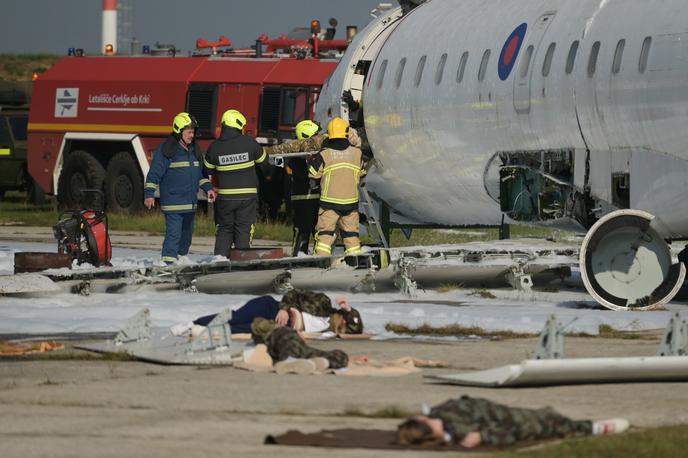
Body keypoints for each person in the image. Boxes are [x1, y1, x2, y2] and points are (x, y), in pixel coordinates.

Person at [396, 396, 630, 448]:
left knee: (550, 419)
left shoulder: (442, 416)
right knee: (554, 422)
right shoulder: (458, 428)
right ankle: (594, 428)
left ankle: (589, 427)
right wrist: (482, 437)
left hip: (509, 415)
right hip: (522, 423)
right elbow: (507, 433)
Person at [144, 112, 215, 265]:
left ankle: (181, 258)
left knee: (186, 235)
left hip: (190, 203)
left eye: (193, 132)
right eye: (189, 132)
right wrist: (149, 194)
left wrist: (208, 188)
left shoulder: (194, 150)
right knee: (174, 235)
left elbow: (200, 175)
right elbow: (154, 174)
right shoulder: (167, 150)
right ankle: (168, 264)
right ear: (178, 130)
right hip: (173, 202)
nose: (192, 135)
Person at [203, 109, 267, 255]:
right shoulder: (249, 142)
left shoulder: (215, 147)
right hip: (247, 198)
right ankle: (241, 263)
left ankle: (220, 262)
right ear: (239, 126)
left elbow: (207, 170)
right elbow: (264, 160)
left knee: (224, 230)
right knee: (243, 230)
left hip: (225, 198)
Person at [188, 288, 364, 335]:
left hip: (278, 326)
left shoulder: (326, 333)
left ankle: (202, 332)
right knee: (235, 317)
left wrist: (350, 312)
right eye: (341, 323)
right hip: (273, 307)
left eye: (340, 328)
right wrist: (285, 309)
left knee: (241, 328)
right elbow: (294, 293)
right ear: (340, 316)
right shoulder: (323, 303)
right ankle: (195, 323)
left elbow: (357, 328)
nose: (337, 326)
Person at [308, 117, 366, 256]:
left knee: (325, 235)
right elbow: (363, 173)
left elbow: (313, 174)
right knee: (351, 235)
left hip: (329, 203)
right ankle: (353, 262)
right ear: (346, 133)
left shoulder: (324, 154)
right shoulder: (357, 153)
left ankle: (322, 263)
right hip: (351, 204)